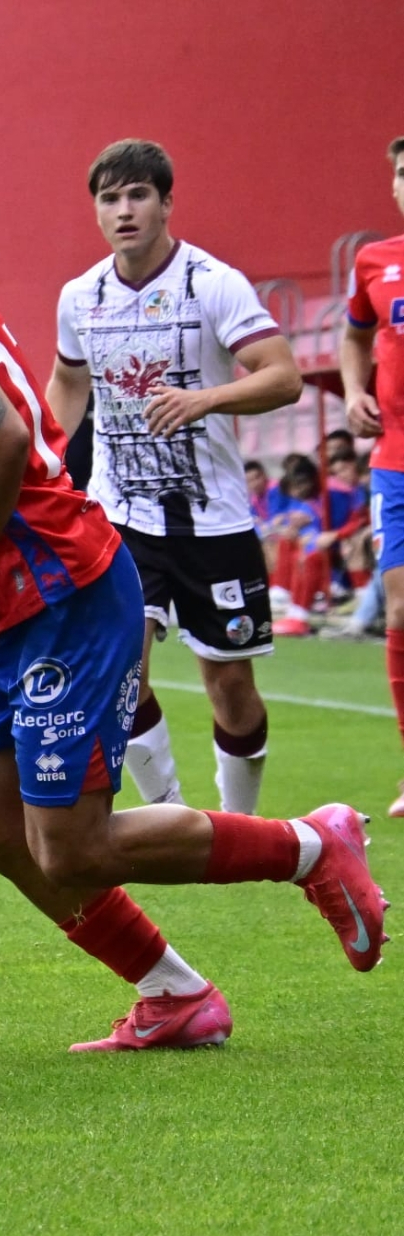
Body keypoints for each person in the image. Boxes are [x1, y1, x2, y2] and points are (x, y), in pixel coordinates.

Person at [0, 87, 386, 1057]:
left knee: (75, 842)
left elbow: (2, 436)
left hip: (54, 590)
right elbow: (11, 421)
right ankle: (174, 993)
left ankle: (310, 844)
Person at [46, 140, 303, 817]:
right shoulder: (81, 295)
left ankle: (239, 824)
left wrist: (205, 399)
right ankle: (172, 814)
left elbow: (284, 376)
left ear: (165, 204)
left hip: (210, 516)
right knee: (115, 673)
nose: (124, 210)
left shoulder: (213, 284)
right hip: (119, 515)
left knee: (230, 688)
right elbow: (70, 381)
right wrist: (42, 457)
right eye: (110, 198)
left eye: (137, 196)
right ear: (96, 210)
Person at [342, 135, 404, 813]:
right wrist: (356, 390)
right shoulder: (375, 262)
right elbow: (355, 334)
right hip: (397, 459)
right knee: (402, 609)